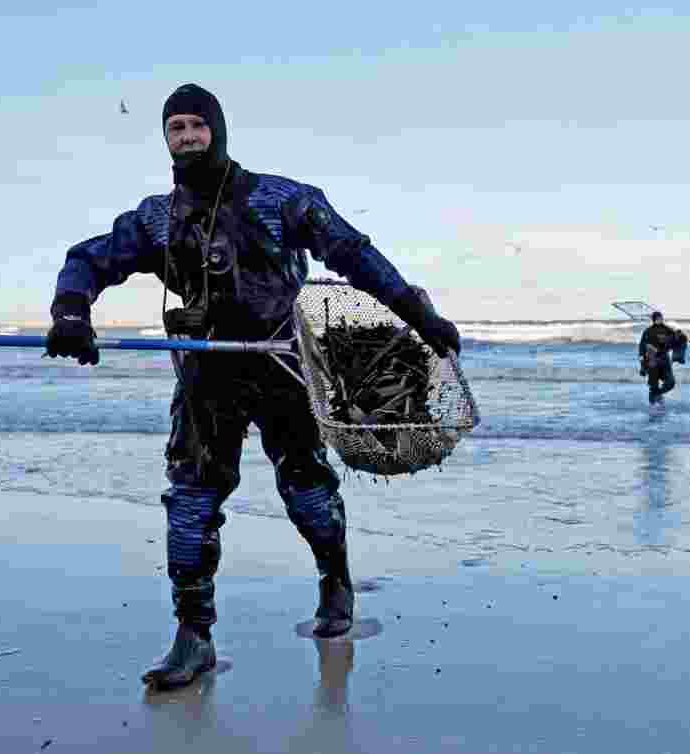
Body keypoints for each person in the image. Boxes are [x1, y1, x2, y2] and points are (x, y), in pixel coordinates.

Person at [44, 84, 461, 689]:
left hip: (284, 365)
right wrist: (72, 313)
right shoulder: (154, 219)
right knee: (190, 501)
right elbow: (88, 258)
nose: (186, 136)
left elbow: (353, 251)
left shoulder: (280, 198)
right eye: (175, 128)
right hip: (206, 373)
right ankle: (193, 636)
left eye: (196, 125)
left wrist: (416, 312)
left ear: (218, 129)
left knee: (307, 490)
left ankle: (334, 578)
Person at [638, 311, 686, 404]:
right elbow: (641, 349)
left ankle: (658, 394)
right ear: (653, 319)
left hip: (665, 360)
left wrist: (681, 335)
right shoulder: (647, 331)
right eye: (657, 318)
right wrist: (642, 366)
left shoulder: (668, 329)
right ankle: (653, 404)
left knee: (670, 383)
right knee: (653, 385)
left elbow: (679, 340)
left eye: (660, 318)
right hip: (652, 361)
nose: (659, 319)